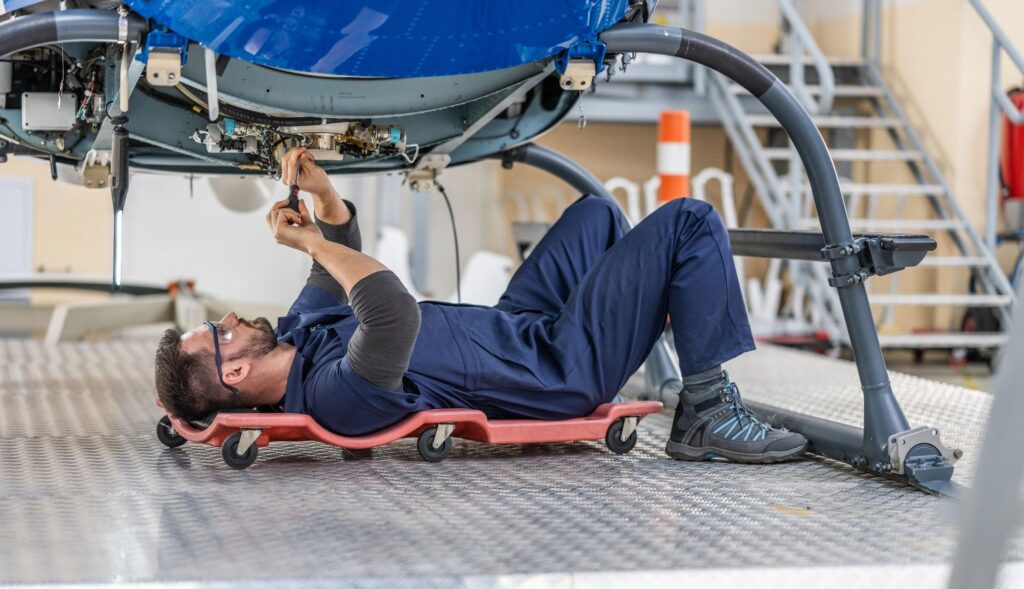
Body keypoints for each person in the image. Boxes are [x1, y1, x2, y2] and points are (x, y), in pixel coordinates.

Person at [155, 148, 807, 463]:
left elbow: (343, 244)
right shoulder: (331, 394)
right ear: (234, 373)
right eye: (218, 331)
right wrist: (313, 246)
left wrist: (323, 197)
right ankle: (706, 410)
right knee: (689, 221)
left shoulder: (299, 332)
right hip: (554, 369)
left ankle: (686, 358)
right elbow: (392, 313)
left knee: (598, 213)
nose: (231, 318)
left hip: (517, 326)